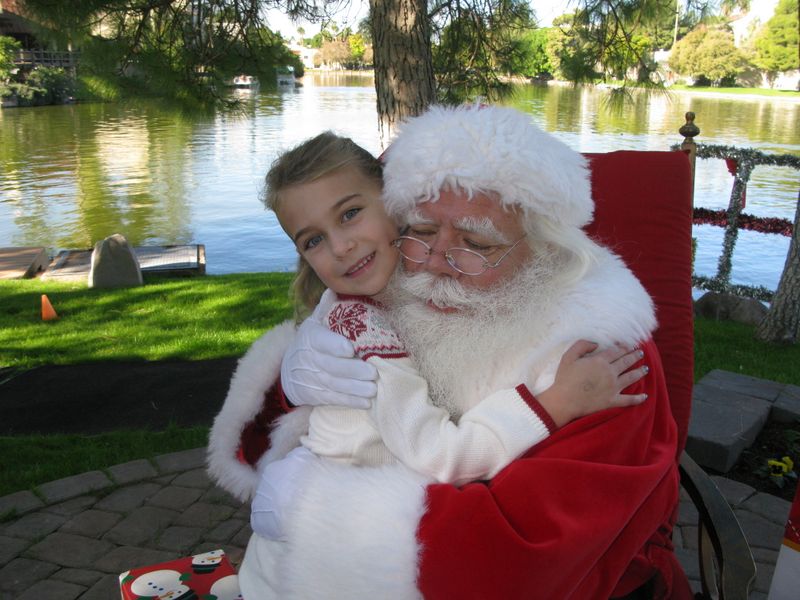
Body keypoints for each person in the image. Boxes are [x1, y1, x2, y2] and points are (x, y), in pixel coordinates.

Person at [208, 105, 692, 599]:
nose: (436, 262)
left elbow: (515, 560)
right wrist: (288, 387)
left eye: (475, 242)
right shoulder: (383, 284)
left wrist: (314, 506)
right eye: (418, 232)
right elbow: (269, 438)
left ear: (546, 249)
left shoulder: (602, 360)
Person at [250, 131, 649, 543]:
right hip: (346, 535)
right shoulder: (363, 330)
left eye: (349, 213)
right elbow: (441, 456)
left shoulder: (380, 292)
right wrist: (553, 404)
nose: (340, 246)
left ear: (395, 203)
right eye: (313, 240)